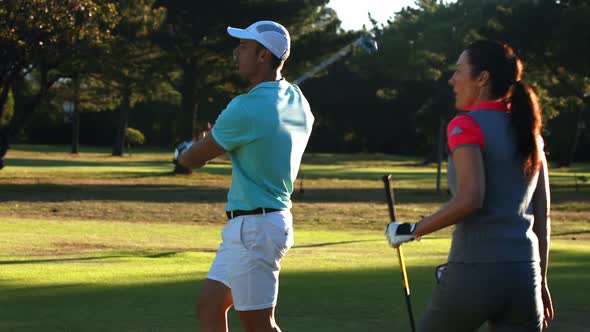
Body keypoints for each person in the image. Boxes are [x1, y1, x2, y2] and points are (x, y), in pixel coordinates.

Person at [386, 40, 554, 331]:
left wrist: (412, 230)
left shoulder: (465, 125)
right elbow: (542, 215)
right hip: (525, 275)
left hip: (475, 270)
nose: (452, 80)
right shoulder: (531, 133)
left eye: (458, 71)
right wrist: (541, 279)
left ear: (482, 78)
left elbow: (471, 198)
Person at [175, 20, 314, 332]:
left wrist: (182, 152)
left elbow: (194, 159)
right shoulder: (298, 100)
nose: (236, 52)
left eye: (244, 46)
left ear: (264, 55)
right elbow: (261, 146)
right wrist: (225, 142)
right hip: (258, 224)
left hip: (255, 227)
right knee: (210, 305)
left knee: (259, 325)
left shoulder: (245, 107)